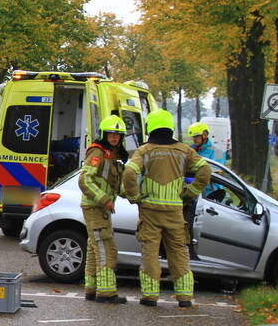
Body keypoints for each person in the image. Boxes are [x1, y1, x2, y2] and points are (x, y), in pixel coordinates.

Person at [122, 109, 211, 308]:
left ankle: (150, 296)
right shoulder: (184, 150)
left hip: (150, 212)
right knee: (179, 253)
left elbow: (129, 172)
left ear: (150, 127)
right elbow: (205, 170)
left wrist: (134, 196)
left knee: (150, 254)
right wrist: (190, 193)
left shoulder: (144, 151)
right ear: (169, 126)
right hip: (175, 213)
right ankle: (185, 297)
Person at [79, 115, 128, 303]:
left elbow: (115, 184)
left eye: (118, 134)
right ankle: (106, 293)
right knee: (105, 247)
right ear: (103, 134)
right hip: (95, 207)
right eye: (110, 134)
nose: (114, 137)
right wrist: (104, 199)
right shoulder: (98, 152)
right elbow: (85, 180)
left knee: (93, 247)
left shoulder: (113, 155)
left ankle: (91, 290)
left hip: (100, 208)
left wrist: (135, 197)